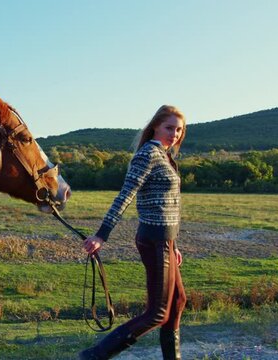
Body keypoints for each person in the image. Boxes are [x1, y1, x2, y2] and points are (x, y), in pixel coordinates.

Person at [79, 105, 187, 360]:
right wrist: (101, 235)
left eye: (179, 130)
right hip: (154, 240)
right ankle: (94, 355)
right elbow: (125, 196)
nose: (174, 134)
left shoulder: (165, 156)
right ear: (155, 127)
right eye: (169, 127)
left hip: (166, 241)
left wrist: (175, 245)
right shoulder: (148, 153)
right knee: (158, 313)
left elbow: (168, 204)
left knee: (178, 301)